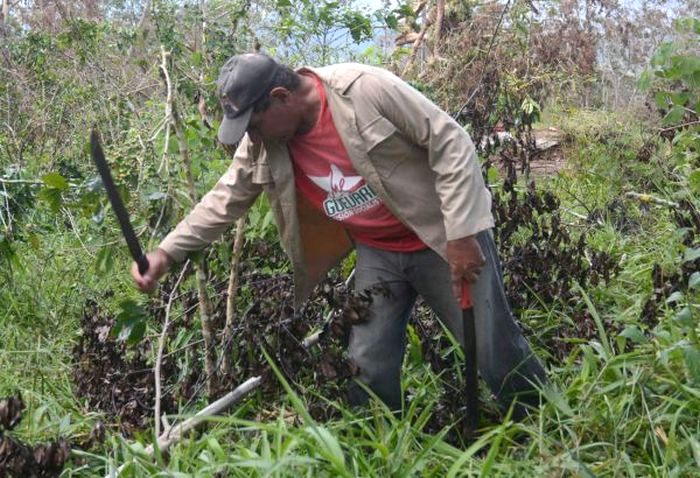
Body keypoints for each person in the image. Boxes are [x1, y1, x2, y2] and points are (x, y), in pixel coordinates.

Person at [131, 53, 547, 414]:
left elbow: (450, 142)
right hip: (378, 253)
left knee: (491, 345)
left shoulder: (363, 90)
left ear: (280, 98)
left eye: (254, 126)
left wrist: (462, 234)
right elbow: (226, 198)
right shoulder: (265, 139)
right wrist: (166, 254)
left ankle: (543, 422)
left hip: (440, 239)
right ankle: (383, 445)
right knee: (366, 360)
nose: (252, 138)